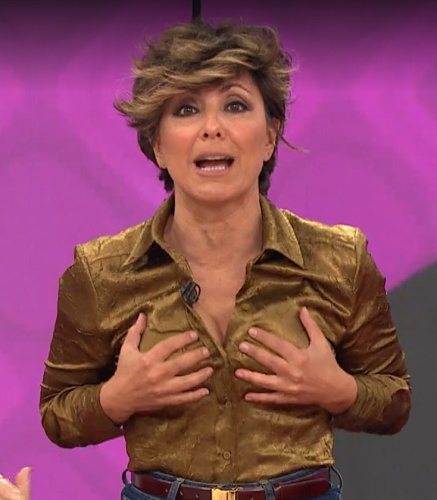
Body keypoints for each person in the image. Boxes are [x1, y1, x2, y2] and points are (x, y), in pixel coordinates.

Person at [39, 18, 411, 500]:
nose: (212, 128)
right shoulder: (100, 272)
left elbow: (394, 399)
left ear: (271, 135)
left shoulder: (340, 259)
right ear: (157, 145)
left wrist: (338, 391)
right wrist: (117, 398)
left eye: (235, 105)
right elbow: (57, 413)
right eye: (186, 109)